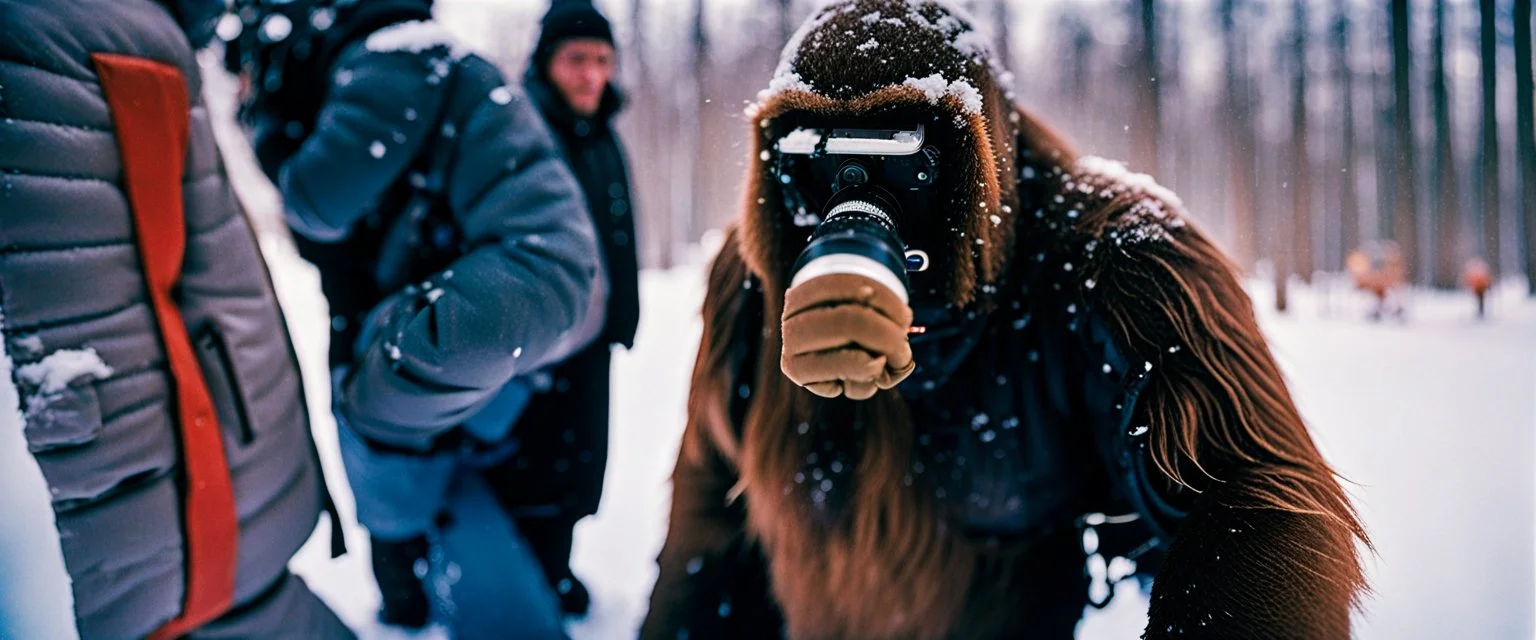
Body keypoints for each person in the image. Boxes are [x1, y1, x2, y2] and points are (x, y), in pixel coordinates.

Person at [643, 1, 1368, 638]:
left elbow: (1259, 511)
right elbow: (709, 508)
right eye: (820, 161)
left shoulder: (1109, 259)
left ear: (976, 157)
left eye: (905, 161)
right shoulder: (756, 272)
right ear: (778, 167)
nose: (855, 193)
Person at [225, 0, 601, 636]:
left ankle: (407, 603)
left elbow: (316, 203)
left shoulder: (392, 59)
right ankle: (413, 600)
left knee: (395, 474)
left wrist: (265, 116)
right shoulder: (428, 64)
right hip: (465, 332)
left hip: (438, 331)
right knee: (430, 485)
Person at [0, 0, 351, 637]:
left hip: (193, 550)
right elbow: (124, 330)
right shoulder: (102, 32)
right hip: (189, 554)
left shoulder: (110, 30)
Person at [484, 0, 641, 617]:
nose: (591, 75)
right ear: (546, 62)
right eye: (577, 59)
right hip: (538, 342)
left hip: (592, 337)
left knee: (579, 466)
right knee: (529, 469)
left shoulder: (600, 131)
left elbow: (618, 232)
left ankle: (554, 568)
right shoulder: (524, 130)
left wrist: (624, 311)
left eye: (602, 60)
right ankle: (523, 583)